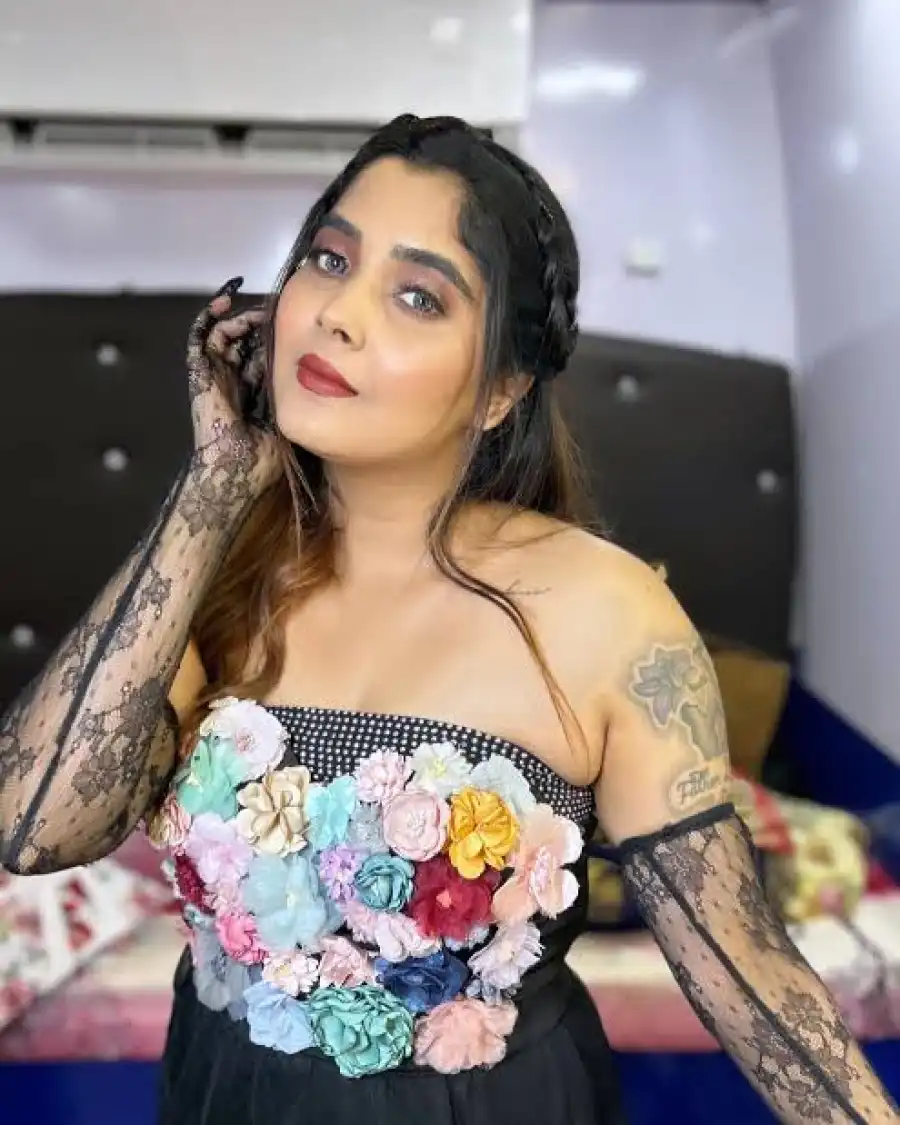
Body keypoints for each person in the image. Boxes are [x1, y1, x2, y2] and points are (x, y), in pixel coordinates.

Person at [0, 114, 896, 1125]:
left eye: (417, 296)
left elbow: (746, 969)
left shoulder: (606, 613)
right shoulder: (216, 574)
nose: (339, 314)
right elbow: (34, 831)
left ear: (501, 390)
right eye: (329, 259)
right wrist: (209, 490)